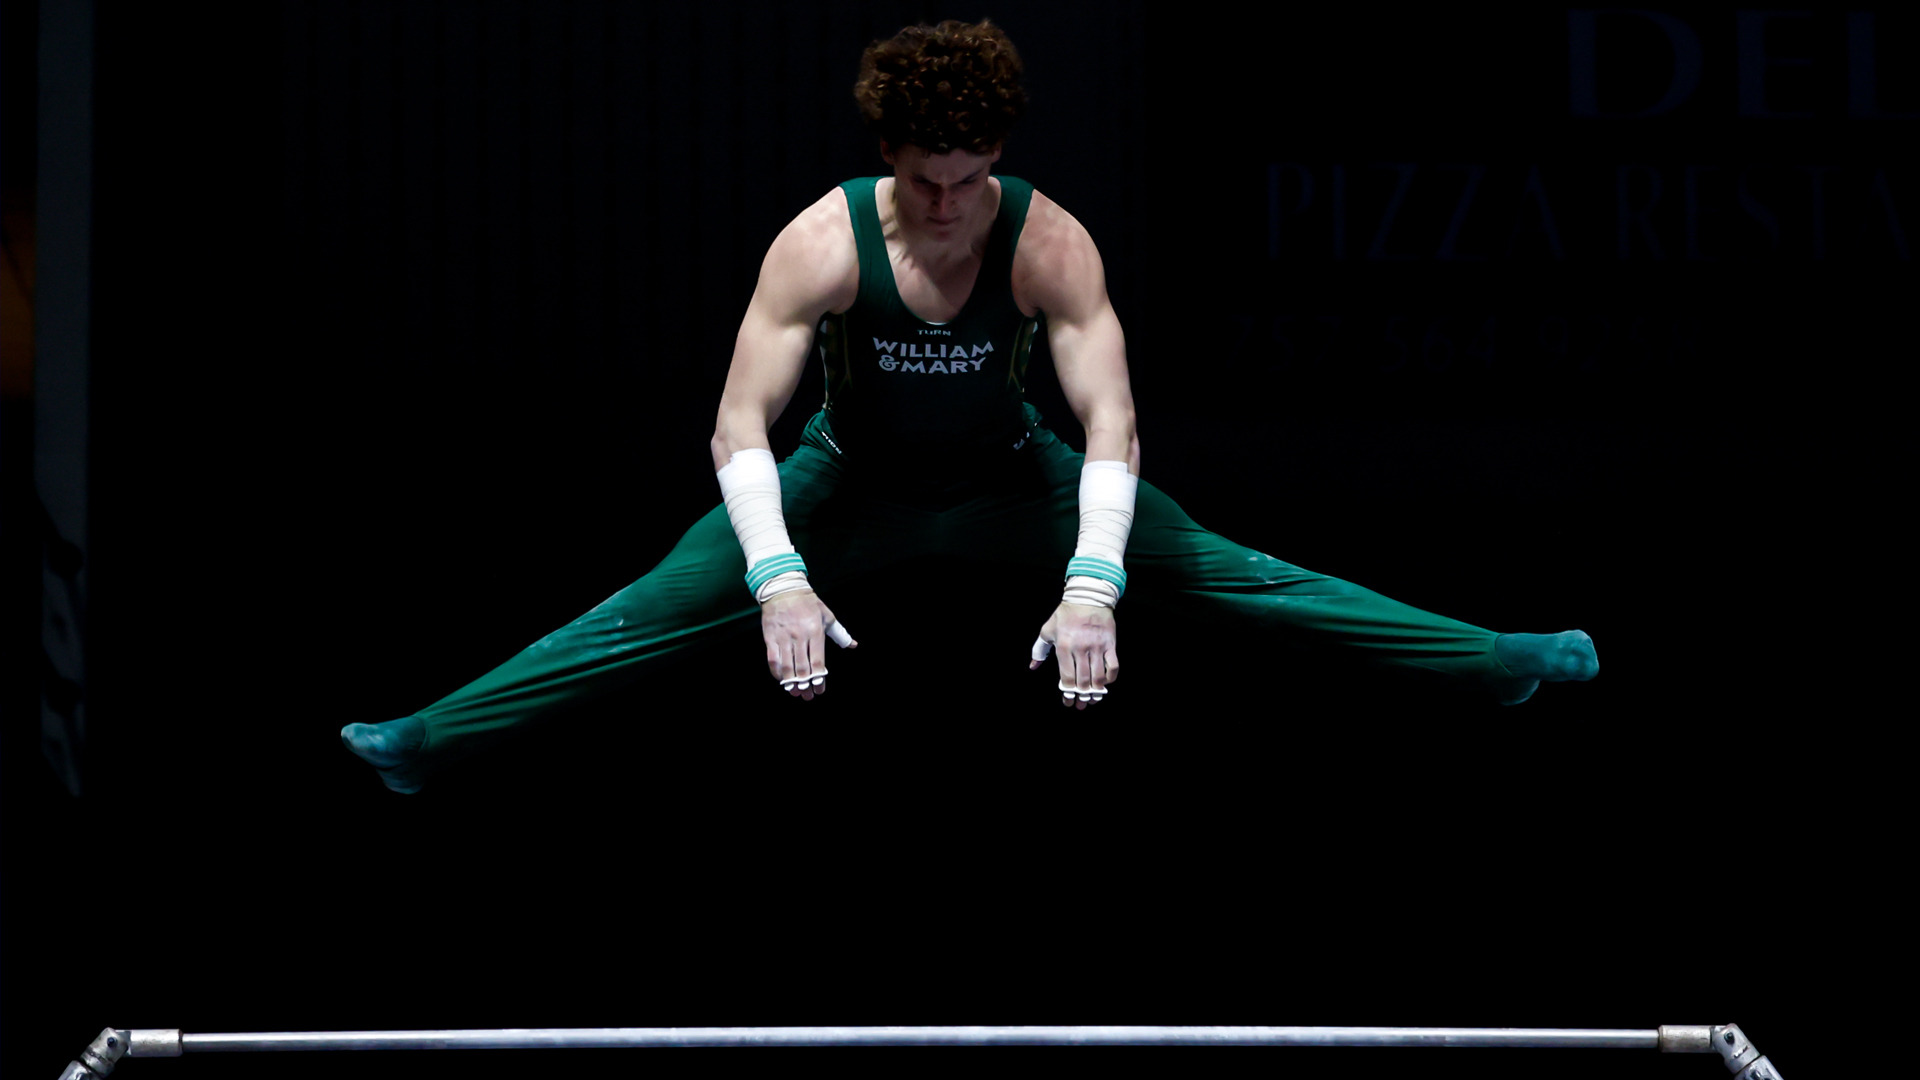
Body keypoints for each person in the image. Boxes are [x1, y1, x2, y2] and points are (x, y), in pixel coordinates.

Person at [342, 18, 1596, 794]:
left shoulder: (1049, 245)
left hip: (1016, 483)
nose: (947, 205)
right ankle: (428, 742)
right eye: (925, 180)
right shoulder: (820, 246)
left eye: (971, 178)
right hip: (843, 487)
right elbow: (737, 430)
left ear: (997, 157)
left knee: (1232, 572)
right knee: (655, 607)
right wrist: (777, 576)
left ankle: (1489, 664)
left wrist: (1096, 580)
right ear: (891, 153)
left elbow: (1111, 425)